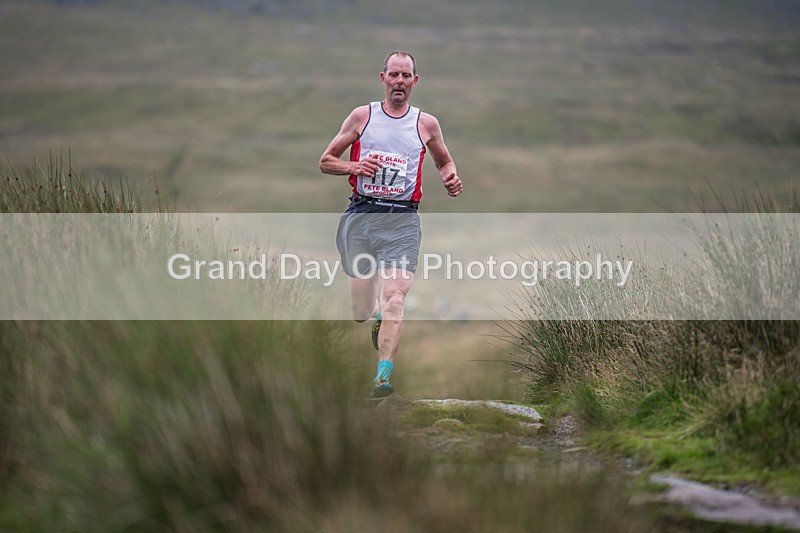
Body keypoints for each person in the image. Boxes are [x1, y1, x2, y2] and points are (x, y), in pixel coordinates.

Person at [319, 50, 462, 398]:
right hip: (362, 216)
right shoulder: (362, 117)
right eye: (393, 75)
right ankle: (376, 317)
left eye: (406, 75)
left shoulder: (426, 124)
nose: (399, 81)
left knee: (395, 296)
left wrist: (451, 177)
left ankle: (382, 377)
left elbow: (444, 161)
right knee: (360, 312)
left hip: (403, 220)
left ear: (415, 81)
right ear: (382, 78)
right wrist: (353, 168)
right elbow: (326, 161)